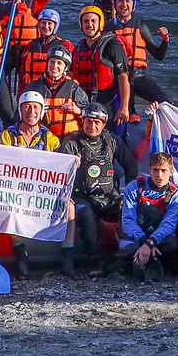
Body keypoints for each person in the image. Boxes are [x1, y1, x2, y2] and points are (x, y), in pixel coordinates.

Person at [60, 102, 132, 275]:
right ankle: (95, 259)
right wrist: (72, 165)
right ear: (82, 121)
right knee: (86, 216)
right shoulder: (70, 143)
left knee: (130, 211)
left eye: (96, 123)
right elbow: (60, 175)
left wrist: (128, 193)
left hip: (108, 196)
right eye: (88, 122)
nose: (92, 126)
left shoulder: (113, 140)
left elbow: (131, 166)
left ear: (103, 124)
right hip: (81, 196)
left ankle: (129, 255)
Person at [118, 152, 178, 282]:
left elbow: (168, 225)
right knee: (130, 249)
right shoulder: (134, 187)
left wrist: (151, 242)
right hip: (135, 234)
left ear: (171, 172)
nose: (159, 175)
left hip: (157, 236)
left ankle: (152, 265)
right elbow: (128, 220)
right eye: (155, 170)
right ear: (149, 170)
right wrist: (144, 241)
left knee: (173, 245)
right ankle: (127, 268)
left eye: (163, 171)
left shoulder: (176, 196)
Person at [69, 4, 133, 124]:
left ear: (100, 23)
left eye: (93, 21)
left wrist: (124, 108)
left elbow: (123, 78)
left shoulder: (112, 45)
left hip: (109, 101)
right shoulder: (78, 48)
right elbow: (70, 77)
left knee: (112, 138)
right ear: (81, 25)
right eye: (86, 21)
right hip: (83, 100)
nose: (89, 24)